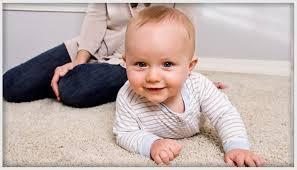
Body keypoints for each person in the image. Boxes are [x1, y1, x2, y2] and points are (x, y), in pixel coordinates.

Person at [113, 6, 264, 166]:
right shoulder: (127, 96)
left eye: (167, 64)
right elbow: (125, 133)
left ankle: (211, 87)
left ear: (189, 66)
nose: (153, 77)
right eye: (141, 64)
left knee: (214, 98)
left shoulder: (198, 86)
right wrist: (151, 144)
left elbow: (224, 114)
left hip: (196, 98)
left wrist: (237, 146)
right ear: (126, 62)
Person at [3, 3, 226, 108]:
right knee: (11, 85)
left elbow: (182, 38)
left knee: (72, 91)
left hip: (133, 63)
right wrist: (77, 63)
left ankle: (67, 83)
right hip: (93, 47)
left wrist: (188, 78)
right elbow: (95, 17)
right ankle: (62, 80)